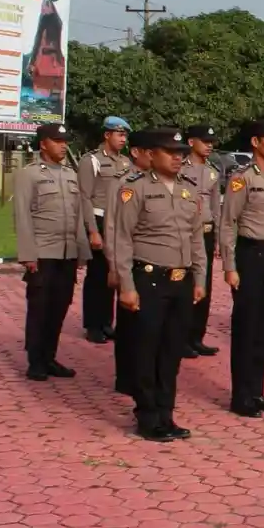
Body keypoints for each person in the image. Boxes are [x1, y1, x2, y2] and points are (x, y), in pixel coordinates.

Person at [111, 128, 207, 442]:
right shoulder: (133, 189)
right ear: (152, 155)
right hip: (148, 279)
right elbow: (122, 239)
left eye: (181, 152)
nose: (178, 157)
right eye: (171, 152)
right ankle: (147, 415)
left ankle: (166, 414)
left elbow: (196, 239)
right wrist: (126, 285)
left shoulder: (189, 190)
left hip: (181, 281)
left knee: (171, 352)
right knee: (146, 349)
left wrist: (200, 278)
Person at [220, 118, 264, 418]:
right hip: (250, 255)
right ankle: (241, 395)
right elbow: (228, 223)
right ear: (255, 143)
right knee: (247, 327)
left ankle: (257, 390)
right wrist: (230, 266)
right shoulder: (242, 178)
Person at [14, 122, 90, 381]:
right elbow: (22, 215)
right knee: (39, 307)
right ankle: (35, 360)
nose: (63, 145)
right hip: (43, 252)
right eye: (58, 141)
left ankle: (49, 356)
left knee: (59, 306)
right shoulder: (30, 174)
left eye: (65, 141)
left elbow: (78, 214)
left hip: (67, 252)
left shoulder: (71, 173)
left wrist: (82, 249)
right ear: (43, 143)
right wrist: (28, 254)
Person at [103, 129, 153, 395]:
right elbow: (112, 227)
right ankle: (125, 377)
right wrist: (114, 266)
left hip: (153, 263)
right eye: (150, 152)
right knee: (128, 323)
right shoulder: (122, 182)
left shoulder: (159, 181)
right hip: (128, 261)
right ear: (136, 153)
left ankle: (143, 375)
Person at [77, 116, 132, 343]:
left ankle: (107, 322)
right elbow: (84, 197)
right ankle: (93, 324)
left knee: (115, 274)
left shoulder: (126, 162)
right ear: (107, 135)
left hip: (119, 222)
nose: (123, 139)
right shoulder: (92, 160)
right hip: (100, 219)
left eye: (125, 135)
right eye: (119, 134)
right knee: (97, 276)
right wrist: (92, 230)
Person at [180, 125, 222, 358]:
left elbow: (216, 206)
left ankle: (197, 336)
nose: (209, 145)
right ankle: (182, 338)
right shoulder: (181, 168)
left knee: (204, 283)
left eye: (211, 142)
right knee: (187, 285)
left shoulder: (213, 171)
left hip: (206, 232)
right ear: (191, 142)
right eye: (204, 141)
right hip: (187, 232)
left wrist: (216, 237)